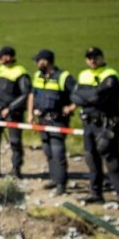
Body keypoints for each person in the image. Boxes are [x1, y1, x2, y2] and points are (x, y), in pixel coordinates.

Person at [71, 47, 119, 213]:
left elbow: (97, 97)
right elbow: (74, 96)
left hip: (106, 123)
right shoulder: (84, 75)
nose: (92, 61)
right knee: (91, 158)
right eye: (89, 58)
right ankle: (95, 192)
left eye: (95, 57)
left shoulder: (110, 75)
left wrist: (86, 96)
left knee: (111, 159)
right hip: (89, 123)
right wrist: (89, 96)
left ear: (102, 58)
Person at [27, 49, 77, 196]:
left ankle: (61, 184)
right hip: (42, 120)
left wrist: (71, 107)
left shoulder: (63, 77)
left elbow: (79, 94)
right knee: (48, 151)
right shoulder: (38, 76)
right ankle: (54, 178)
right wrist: (30, 113)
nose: (36, 64)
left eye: (38, 61)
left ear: (46, 61)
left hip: (57, 120)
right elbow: (32, 94)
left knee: (57, 152)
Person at [0, 46, 31, 178]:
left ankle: (16, 170)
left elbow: (25, 94)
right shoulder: (1, 69)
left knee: (15, 141)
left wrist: (10, 109)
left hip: (13, 113)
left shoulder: (20, 72)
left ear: (8, 57)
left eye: (1, 56)